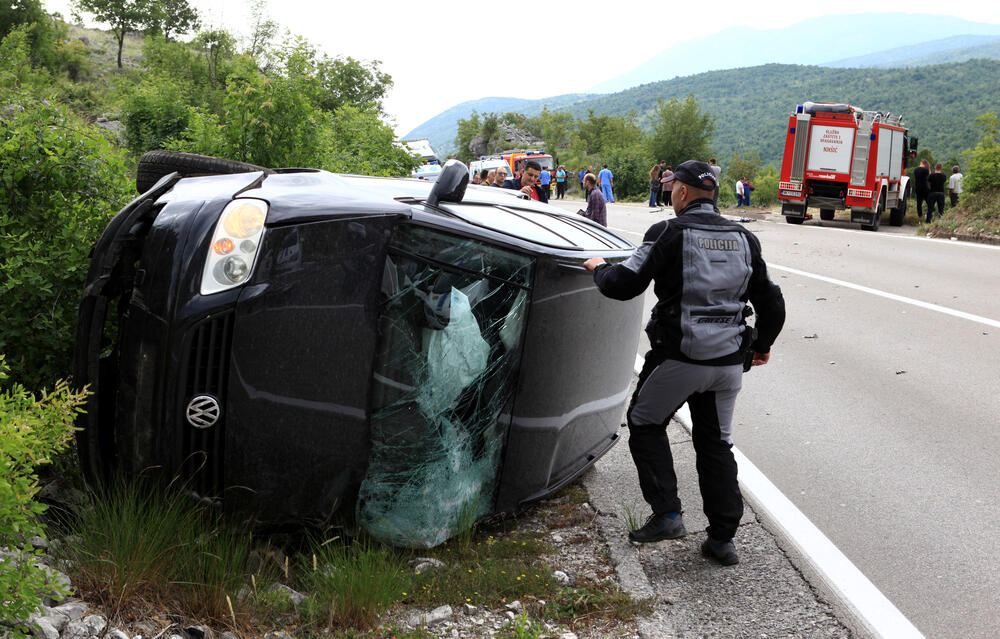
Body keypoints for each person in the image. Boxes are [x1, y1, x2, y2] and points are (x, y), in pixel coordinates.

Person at [582, 160, 785, 566]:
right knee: (716, 444)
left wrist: (598, 268)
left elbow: (624, 285)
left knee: (644, 421)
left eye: (673, 185)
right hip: (729, 363)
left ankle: (668, 514)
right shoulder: (744, 236)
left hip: (680, 357)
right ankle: (723, 539)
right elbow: (772, 301)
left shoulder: (667, 231)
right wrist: (761, 345)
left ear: (682, 192)